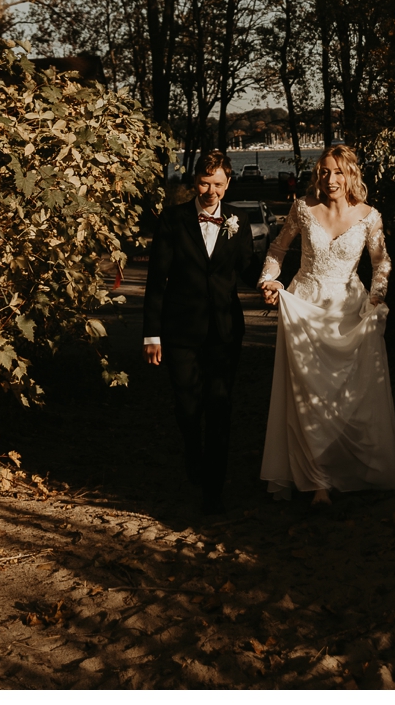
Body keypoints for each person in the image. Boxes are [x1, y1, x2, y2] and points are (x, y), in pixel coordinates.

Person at [257, 145, 395, 505]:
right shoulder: (303, 209)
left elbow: (380, 263)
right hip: (304, 304)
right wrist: (268, 281)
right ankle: (316, 481)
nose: (330, 179)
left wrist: (376, 298)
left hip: (348, 309)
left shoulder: (369, 216)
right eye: (324, 172)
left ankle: (343, 469)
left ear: (351, 173)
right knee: (307, 395)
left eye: (337, 172)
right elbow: (276, 250)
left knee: (346, 394)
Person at [142, 149, 256, 514]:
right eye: (205, 183)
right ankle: (192, 449)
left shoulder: (239, 221)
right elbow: (157, 280)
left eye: (218, 184)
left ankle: (213, 490)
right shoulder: (173, 220)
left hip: (224, 331)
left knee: (220, 407)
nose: (211, 191)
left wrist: (274, 283)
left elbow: (250, 270)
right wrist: (151, 334)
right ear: (195, 182)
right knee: (189, 407)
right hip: (180, 331)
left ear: (228, 183)